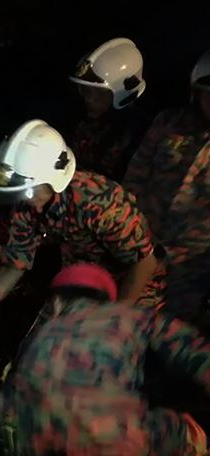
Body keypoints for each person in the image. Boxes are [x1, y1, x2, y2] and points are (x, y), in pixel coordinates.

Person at [0, 263, 210, 456]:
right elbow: (195, 353)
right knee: (194, 443)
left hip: (32, 452)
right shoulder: (132, 317)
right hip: (108, 455)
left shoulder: (45, 333)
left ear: (57, 301)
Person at [0, 119, 159, 325]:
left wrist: (113, 319)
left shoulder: (98, 202)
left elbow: (145, 263)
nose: (25, 199)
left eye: (30, 190)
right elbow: (15, 266)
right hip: (82, 281)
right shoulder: (27, 204)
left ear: (53, 177)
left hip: (132, 289)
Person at [123, 49, 210, 324]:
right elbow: (134, 177)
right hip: (140, 244)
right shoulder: (168, 123)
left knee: (170, 337)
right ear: (196, 93)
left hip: (191, 265)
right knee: (122, 322)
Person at [67, 38, 149, 181]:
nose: (88, 98)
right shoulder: (76, 116)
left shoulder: (136, 135)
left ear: (122, 92)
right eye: (84, 89)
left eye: (98, 92)